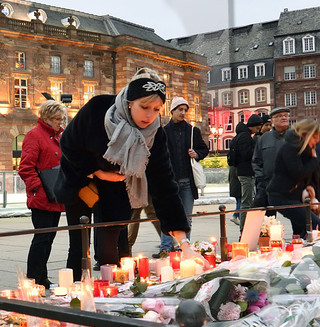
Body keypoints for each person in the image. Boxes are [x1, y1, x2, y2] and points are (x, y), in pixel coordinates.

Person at [58, 73, 190, 268]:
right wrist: (97, 172)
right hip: (81, 180)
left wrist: (184, 242)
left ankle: (108, 283)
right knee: (79, 245)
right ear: (129, 103)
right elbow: (68, 143)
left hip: (117, 188)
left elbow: (163, 182)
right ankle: (76, 284)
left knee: (109, 249)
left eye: (156, 109)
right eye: (144, 107)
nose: (150, 115)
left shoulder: (155, 133)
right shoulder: (98, 107)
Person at [17, 100, 80, 288]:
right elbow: (25, 167)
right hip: (42, 197)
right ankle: (33, 278)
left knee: (48, 239)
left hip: (55, 196)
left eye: (62, 119)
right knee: (41, 239)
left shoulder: (60, 136)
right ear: (46, 117)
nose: (60, 122)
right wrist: (38, 188)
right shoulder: (34, 136)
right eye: (57, 119)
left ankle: (42, 277)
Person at [161, 96, 209, 252]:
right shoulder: (163, 131)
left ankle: (185, 248)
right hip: (170, 182)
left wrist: (197, 154)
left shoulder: (192, 131)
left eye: (185, 110)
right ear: (172, 110)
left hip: (188, 182)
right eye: (180, 109)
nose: (183, 113)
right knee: (168, 216)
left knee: (187, 217)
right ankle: (165, 248)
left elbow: (204, 149)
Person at [267, 118, 320, 240]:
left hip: (294, 196)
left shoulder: (303, 150)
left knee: (303, 230)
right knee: (316, 224)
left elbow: (309, 175)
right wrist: (314, 161)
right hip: (282, 197)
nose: (317, 141)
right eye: (315, 137)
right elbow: (298, 172)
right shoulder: (290, 148)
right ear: (306, 134)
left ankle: (302, 248)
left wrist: (309, 186)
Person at [252, 108, 293, 214]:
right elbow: (256, 161)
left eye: (286, 115)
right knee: (263, 216)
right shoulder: (264, 138)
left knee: (299, 217)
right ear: (272, 121)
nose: (284, 118)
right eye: (279, 116)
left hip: (292, 187)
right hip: (267, 185)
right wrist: (262, 178)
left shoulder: (296, 137)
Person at [228, 113, 264, 228]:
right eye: (257, 128)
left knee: (246, 201)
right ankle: (244, 229)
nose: (258, 131)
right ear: (252, 126)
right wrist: (257, 148)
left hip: (243, 171)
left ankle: (245, 227)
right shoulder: (245, 137)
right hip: (246, 172)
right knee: (246, 203)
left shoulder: (241, 135)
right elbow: (247, 154)